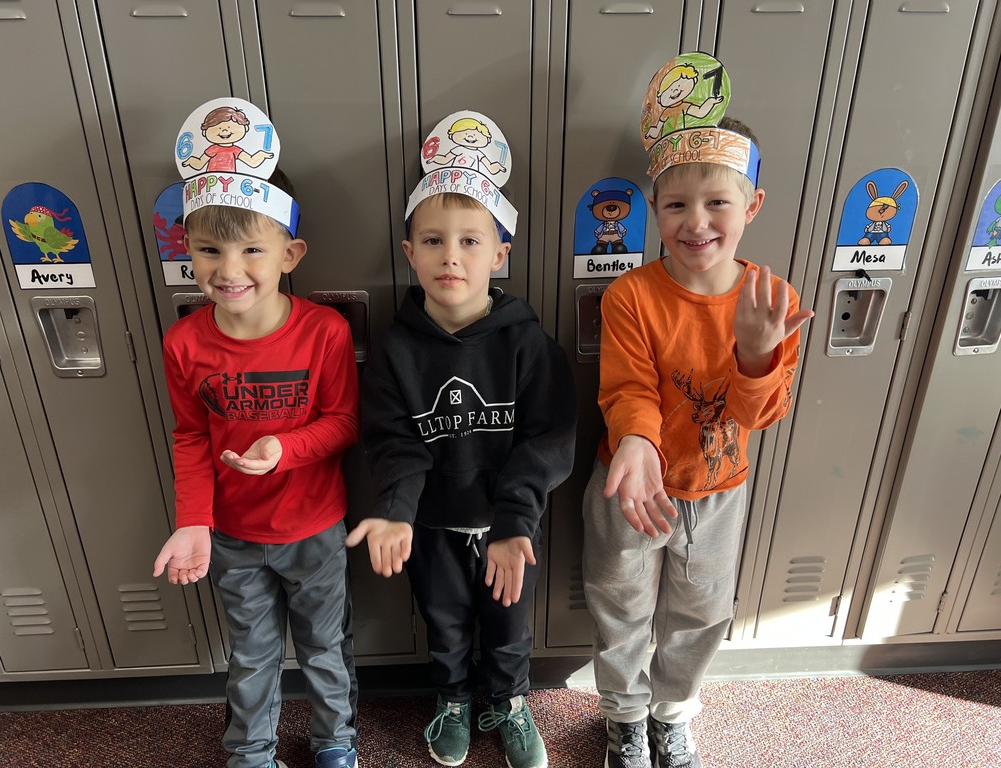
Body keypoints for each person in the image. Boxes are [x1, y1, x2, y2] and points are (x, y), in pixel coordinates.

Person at [583, 114, 815, 767]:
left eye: (718, 202)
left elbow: (760, 417)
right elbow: (630, 387)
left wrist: (756, 355)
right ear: (653, 208)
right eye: (677, 204)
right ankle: (626, 718)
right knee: (621, 602)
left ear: (752, 206)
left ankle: (673, 712)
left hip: (717, 494)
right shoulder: (632, 295)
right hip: (632, 487)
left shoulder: (771, 299)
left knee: (701, 612)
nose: (697, 221)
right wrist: (635, 442)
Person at [346, 111, 576, 768]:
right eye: (434, 240)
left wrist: (513, 519)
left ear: (500, 253)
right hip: (432, 527)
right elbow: (394, 442)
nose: (452, 255)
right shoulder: (395, 351)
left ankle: (505, 699)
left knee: (508, 626)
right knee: (443, 621)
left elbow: (548, 440)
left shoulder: (526, 342)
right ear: (409, 252)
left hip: (510, 526)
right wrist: (395, 510)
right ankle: (450, 697)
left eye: (471, 241)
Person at [151, 148, 360, 767]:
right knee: (251, 650)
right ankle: (250, 751)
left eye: (251, 250)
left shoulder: (325, 332)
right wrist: (194, 520)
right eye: (210, 250)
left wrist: (285, 450)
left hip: (314, 527)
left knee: (326, 646)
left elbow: (345, 422)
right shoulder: (184, 343)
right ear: (186, 248)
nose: (229, 269)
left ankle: (336, 741)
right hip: (234, 535)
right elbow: (189, 435)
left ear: (290, 254)